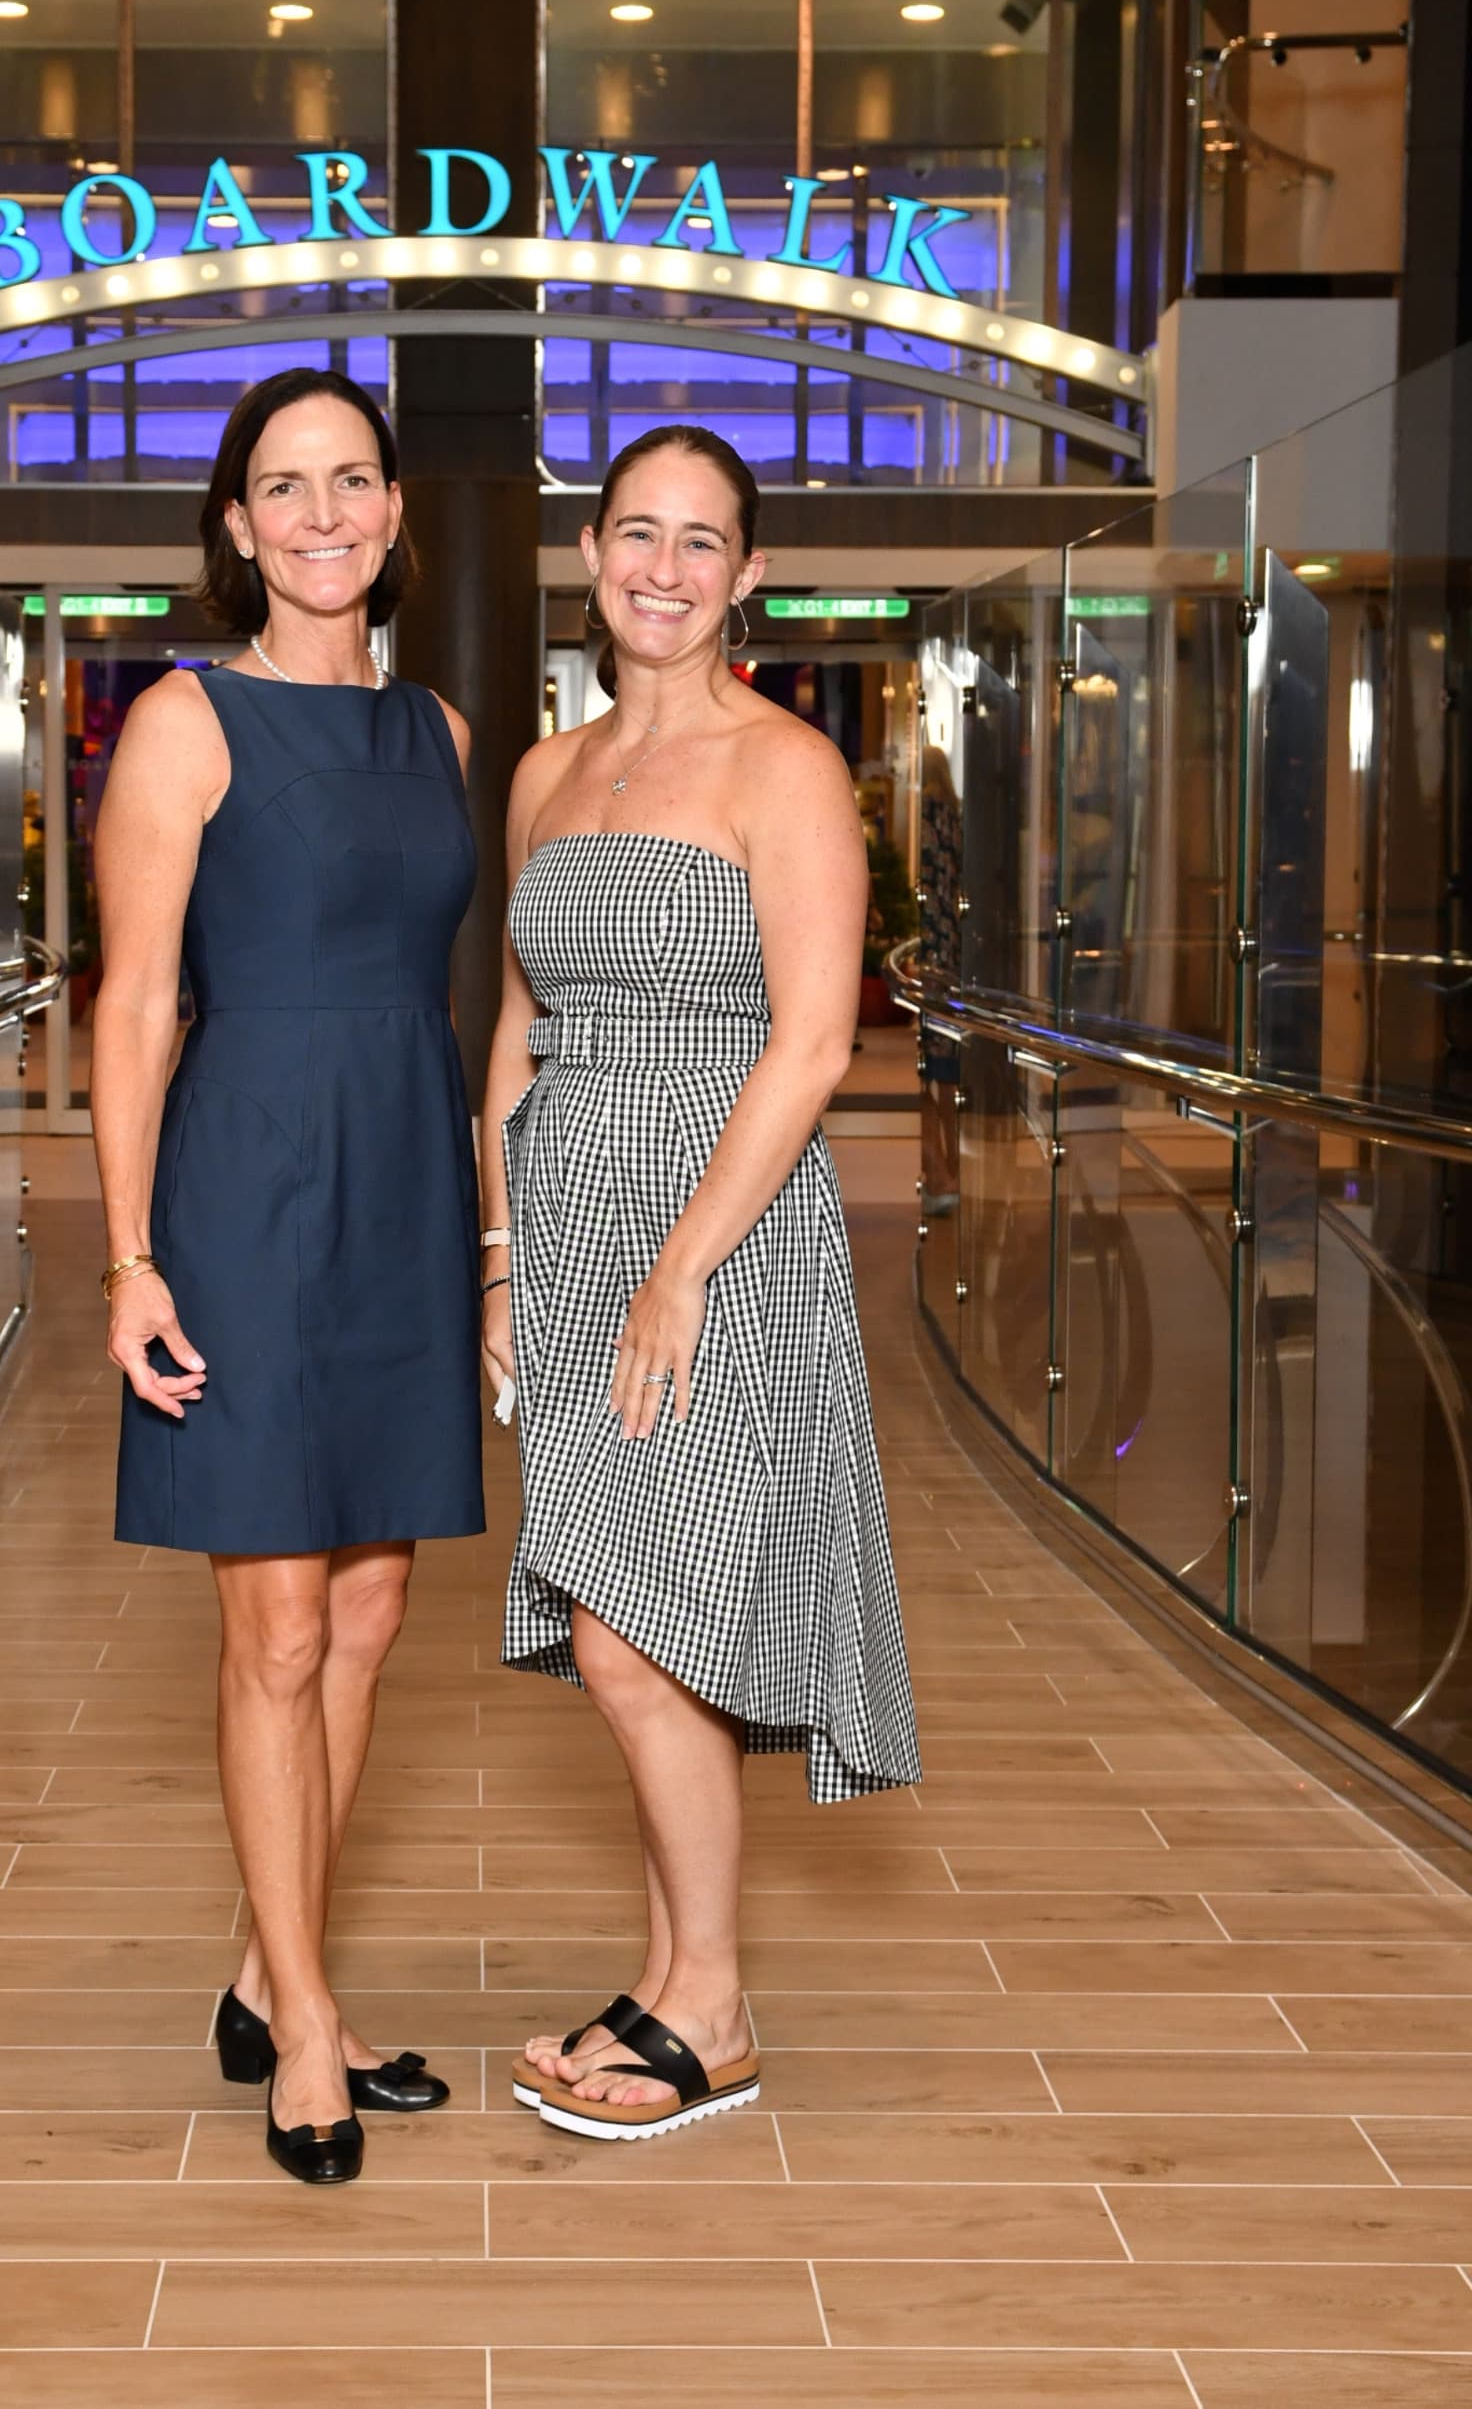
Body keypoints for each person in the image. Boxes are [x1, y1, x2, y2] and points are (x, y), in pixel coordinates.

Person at [480, 424, 921, 2143]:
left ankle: (716, 2008)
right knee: (642, 1612)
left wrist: (673, 1275)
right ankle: (668, 1974)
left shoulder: (786, 768)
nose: (664, 567)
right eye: (636, 533)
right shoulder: (545, 773)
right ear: (592, 556)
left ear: (748, 577)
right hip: (570, 1229)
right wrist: (507, 1250)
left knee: (632, 1624)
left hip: (720, 1236)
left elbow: (812, 1047)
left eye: (703, 542)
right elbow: (515, 1030)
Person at [91, 367, 482, 2185]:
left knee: (380, 1612)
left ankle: (272, 1964)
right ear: (237, 528)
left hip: (397, 1180)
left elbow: (470, 1003)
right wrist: (129, 1257)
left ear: (395, 515)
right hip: (246, 1189)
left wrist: (482, 1237)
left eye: (353, 482)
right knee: (280, 1624)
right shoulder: (186, 721)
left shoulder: (445, 738)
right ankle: (307, 2032)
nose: (322, 514)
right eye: (283, 487)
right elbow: (139, 1002)